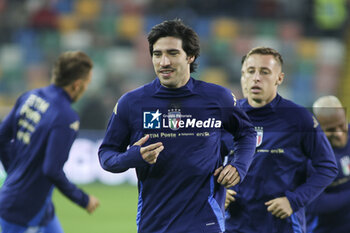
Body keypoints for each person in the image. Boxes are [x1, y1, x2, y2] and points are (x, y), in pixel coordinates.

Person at [98, 19, 257, 233]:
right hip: (155, 223)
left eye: (172, 53)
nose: (163, 62)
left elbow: (246, 132)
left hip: (205, 220)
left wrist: (239, 167)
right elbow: (107, 155)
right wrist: (134, 157)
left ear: (190, 56)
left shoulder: (218, 98)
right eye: (157, 54)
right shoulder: (132, 103)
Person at [225, 47, 338, 233]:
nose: (256, 78)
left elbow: (327, 167)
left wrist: (294, 201)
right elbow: (207, 162)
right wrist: (216, 191)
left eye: (265, 72)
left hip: (281, 226)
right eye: (250, 71)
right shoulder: (228, 118)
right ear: (242, 76)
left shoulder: (299, 118)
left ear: (279, 78)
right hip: (234, 225)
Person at [0, 51, 100, 233]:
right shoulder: (66, 118)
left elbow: (2, 137)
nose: (86, 88)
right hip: (22, 210)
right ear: (77, 85)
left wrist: (14, 171)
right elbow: (51, 169)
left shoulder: (30, 96)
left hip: (38, 204)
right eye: (87, 83)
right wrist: (83, 199)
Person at [306, 95, 350, 233]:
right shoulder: (310, 156)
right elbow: (315, 204)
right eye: (330, 129)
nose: (338, 133)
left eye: (341, 125)